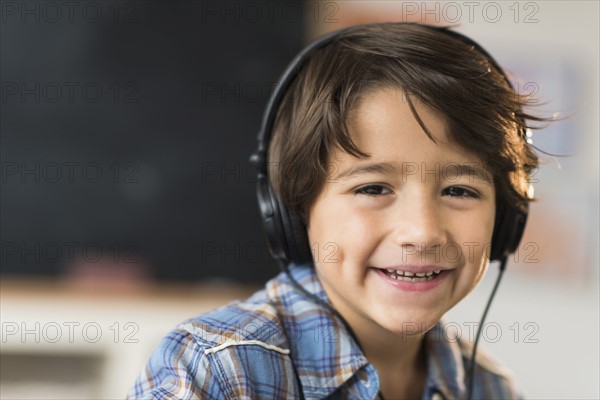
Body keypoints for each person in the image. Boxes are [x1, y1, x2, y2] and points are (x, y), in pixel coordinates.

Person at [127, 22, 549, 399]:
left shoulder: (491, 388)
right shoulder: (217, 370)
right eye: (373, 187)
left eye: (459, 190)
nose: (421, 232)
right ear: (295, 208)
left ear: (507, 220)